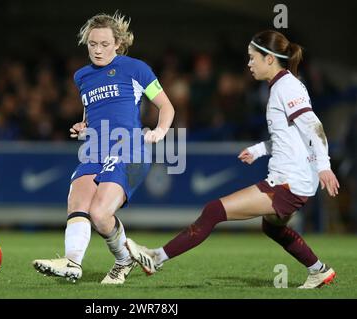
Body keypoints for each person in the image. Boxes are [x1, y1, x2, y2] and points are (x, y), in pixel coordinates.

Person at [126, 30, 340, 289]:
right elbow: (290, 137)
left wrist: (324, 167)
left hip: (288, 183)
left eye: (253, 58)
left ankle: (156, 257)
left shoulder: (286, 86)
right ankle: (319, 270)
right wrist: (259, 150)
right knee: (272, 229)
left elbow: (313, 126)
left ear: (269, 59)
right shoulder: (282, 85)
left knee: (214, 210)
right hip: (291, 180)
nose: (249, 64)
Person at [33, 12, 175, 284]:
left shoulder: (136, 68)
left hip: (128, 148)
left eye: (104, 44)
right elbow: (93, 112)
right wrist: (83, 126)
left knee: (99, 214)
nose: (97, 50)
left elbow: (166, 106)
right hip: (94, 149)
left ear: (118, 44)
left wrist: (159, 131)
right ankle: (72, 262)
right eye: (92, 44)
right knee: (77, 199)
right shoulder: (82, 76)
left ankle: (123, 260)